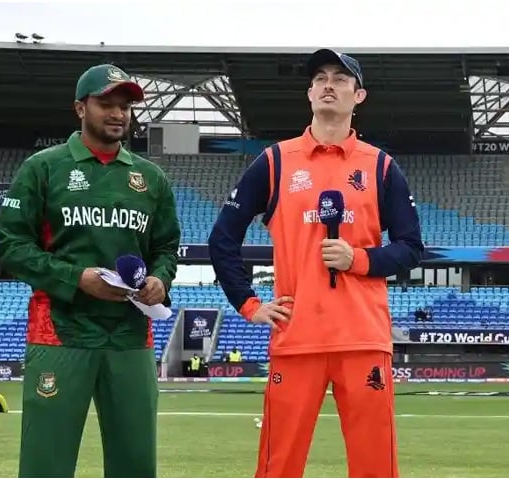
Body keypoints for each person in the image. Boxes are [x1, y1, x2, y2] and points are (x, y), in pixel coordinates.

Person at [208, 49, 423, 478]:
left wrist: (358, 258)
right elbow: (222, 239)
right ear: (309, 93)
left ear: (358, 95)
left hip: (363, 339)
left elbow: (411, 248)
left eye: (341, 79)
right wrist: (250, 305)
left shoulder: (381, 166)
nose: (329, 84)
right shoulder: (274, 161)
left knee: (375, 467)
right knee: (278, 467)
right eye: (321, 77)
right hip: (297, 339)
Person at [0, 63, 181, 478]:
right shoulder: (43, 168)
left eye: (126, 107)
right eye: (106, 104)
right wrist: (76, 279)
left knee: (135, 463)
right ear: (80, 108)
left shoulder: (150, 179)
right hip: (61, 333)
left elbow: (166, 247)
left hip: (130, 337)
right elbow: (9, 245)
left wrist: (159, 280)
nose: (118, 114)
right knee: (47, 463)